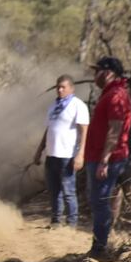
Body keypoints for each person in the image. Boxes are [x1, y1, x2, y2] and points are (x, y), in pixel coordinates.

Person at [84, 56, 131, 260]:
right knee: (100, 201)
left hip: (108, 159)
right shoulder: (111, 94)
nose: (94, 75)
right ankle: (102, 245)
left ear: (108, 73)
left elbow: (114, 129)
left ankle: (100, 248)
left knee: (100, 201)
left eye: (97, 71)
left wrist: (104, 160)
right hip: (101, 156)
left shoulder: (116, 96)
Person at [34, 75, 89, 228]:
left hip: (68, 155)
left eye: (63, 87)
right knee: (53, 190)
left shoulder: (78, 106)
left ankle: (72, 223)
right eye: (58, 87)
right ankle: (56, 221)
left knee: (68, 191)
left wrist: (80, 154)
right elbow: (49, 129)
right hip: (52, 155)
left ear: (71, 88)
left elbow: (84, 130)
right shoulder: (53, 106)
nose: (59, 89)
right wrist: (40, 150)